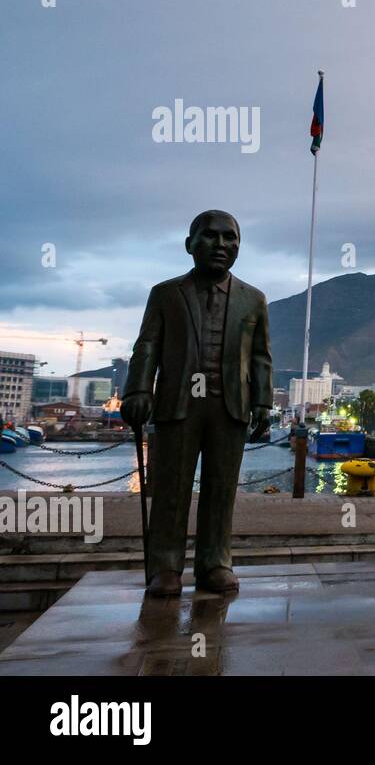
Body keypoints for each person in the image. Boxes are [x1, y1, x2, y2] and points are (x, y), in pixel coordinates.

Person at [121, 211, 272, 598]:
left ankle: (215, 562)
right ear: (190, 244)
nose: (221, 245)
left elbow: (260, 357)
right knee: (171, 488)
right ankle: (166, 566)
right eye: (210, 236)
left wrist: (263, 403)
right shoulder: (166, 293)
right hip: (179, 403)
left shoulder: (253, 300)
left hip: (229, 406)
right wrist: (139, 390)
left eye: (230, 238)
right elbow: (148, 345)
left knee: (222, 489)